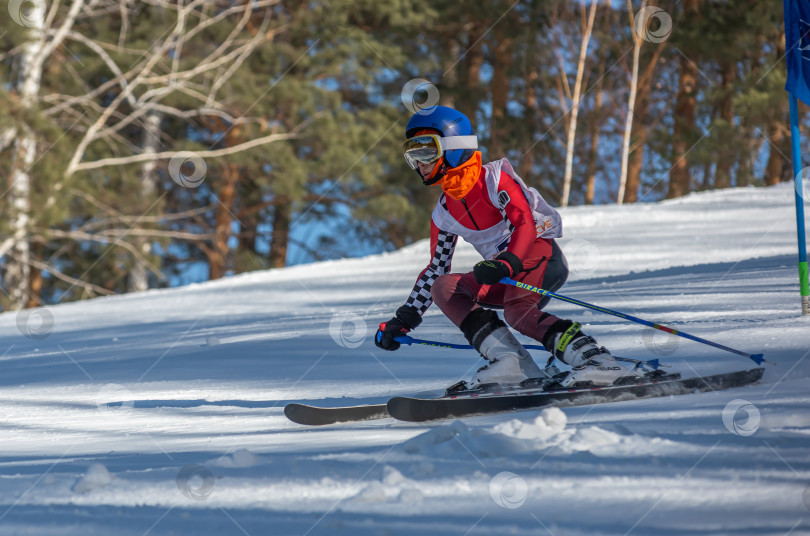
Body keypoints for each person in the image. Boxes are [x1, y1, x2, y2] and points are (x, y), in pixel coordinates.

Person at [375, 105, 640, 389]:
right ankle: (511, 363)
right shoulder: (444, 212)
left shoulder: (493, 179)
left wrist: (507, 261)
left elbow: (524, 223)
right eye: (413, 155)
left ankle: (597, 360)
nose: (420, 163)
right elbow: (436, 268)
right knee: (443, 286)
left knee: (517, 313)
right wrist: (405, 318)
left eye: (427, 151)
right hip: (502, 274)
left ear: (452, 147)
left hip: (537, 257)